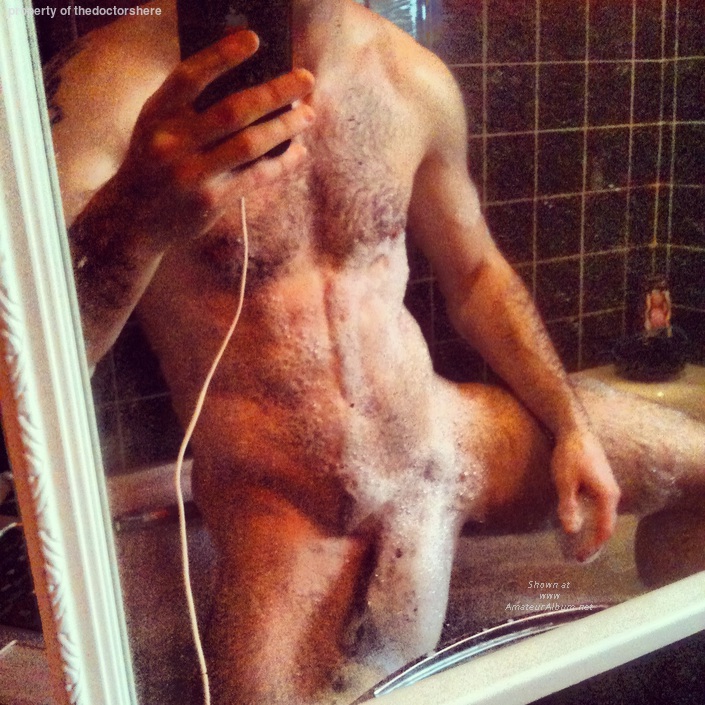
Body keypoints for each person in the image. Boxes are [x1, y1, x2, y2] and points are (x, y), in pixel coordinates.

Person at [48, 1, 704, 703]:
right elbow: (37, 357)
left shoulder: (411, 77)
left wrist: (570, 425)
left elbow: (477, 275)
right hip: (286, 508)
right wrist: (133, 218)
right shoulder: (111, 87)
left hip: (445, 442)